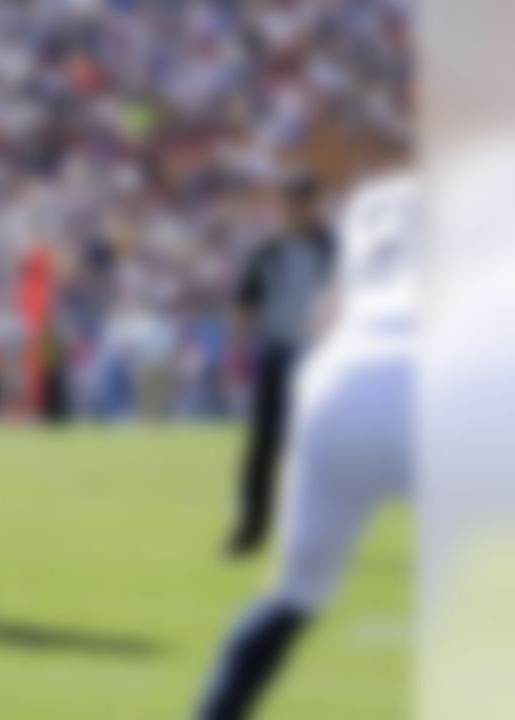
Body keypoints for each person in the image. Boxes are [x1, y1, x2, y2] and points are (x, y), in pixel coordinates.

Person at [199, 170, 416, 719]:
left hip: (337, 381)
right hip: (447, 379)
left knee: (290, 598)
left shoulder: (366, 213)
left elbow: (328, 316)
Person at [227, 173, 336, 557]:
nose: (295, 210)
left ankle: (320, 534)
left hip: (325, 356)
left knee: (321, 448)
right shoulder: (266, 250)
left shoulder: (336, 248)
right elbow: (246, 304)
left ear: (315, 204)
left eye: (303, 202)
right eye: (290, 202)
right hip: (276, 351)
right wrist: (237, 355)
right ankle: (251, 529)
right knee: (262, 445)